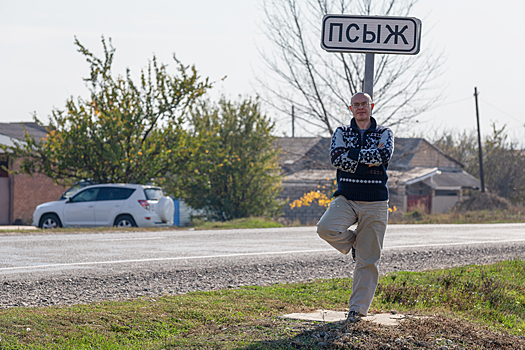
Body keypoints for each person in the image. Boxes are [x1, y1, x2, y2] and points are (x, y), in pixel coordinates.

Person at [316, 92, 394, 323]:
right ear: (351, 108)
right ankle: (355, 243)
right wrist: (368, 161)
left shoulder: (384, 133)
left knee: (368, 260)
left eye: (364, 104)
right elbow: (337, 159)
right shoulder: (341, 132)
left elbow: (383, 155)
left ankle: (357, 310)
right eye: (356, 105)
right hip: (347, 197)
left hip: (376, 201)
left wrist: (354, 158)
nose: (361, 108)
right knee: (325, 228)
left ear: (371, 106)